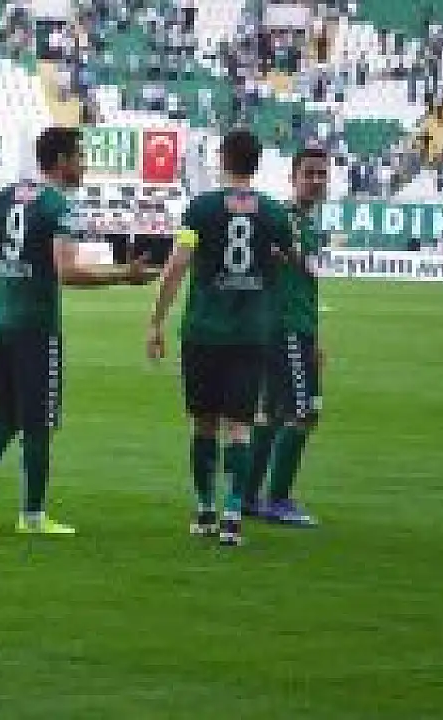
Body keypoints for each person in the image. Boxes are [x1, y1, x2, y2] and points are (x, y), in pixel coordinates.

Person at [0, 127, 157, 536]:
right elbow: (67, 271)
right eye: (79, 156)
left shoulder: (8, 195)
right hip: (35, 329)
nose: (83, 165)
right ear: (61, 160)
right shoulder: (59, 206)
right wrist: (123, 275)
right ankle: (32, 516)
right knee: (38, 423)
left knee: (2, 416)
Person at [146, 128, 292, 548]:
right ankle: (232, 515)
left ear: (224, 159)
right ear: (257, 162)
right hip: (250, 333)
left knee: (203, 423)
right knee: (240, 428)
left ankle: (205, 508)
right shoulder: (274, 213)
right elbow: (287, 262)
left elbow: (177, 265)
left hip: (204, 331)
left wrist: (156, 321)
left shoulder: (201, 208)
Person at [244, 145, 329, 526]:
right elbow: (261, 261)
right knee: (304, 412)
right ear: (292, 177)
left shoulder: (308, 225)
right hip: (286, 328)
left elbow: (305, 286)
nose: (316, 180)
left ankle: (248, 497)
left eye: (321, 174)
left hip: (295, 327)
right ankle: (277, 500)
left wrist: (316, 337)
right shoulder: (284, 221)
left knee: (273, 413)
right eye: (309, 173)